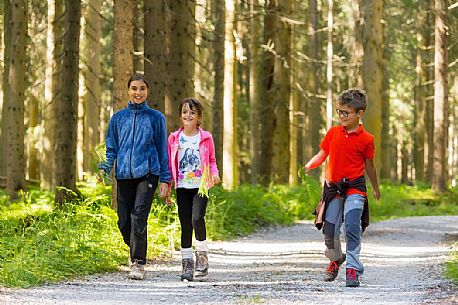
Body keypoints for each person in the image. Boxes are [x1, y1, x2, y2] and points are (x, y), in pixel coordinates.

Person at [304, 89, 381, 287]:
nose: (341, 116)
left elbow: (369, 166)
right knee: (329, 231)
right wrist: (308, 166)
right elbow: (322, 155)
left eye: (346, 113)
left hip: (355, 187)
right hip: (332, 189)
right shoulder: (333, 133)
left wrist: (375, 188)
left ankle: (353, 269)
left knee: (352, 227)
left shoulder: (367, 139)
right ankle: (336, 259)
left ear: (359, 113)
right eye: (339, 112)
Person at [99, 74, 170, 280]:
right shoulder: (118, 118)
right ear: (128, 90)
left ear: (147, 91)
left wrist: (165, 179)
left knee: (139, 216)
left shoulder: (156, 118)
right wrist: (104, 167)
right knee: (123, 221)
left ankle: (138, 262)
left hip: (147, 174)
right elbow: (111, 148)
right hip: (123, 175)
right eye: (134, 88)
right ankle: (136, 248)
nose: (138, 93)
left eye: (142, 89)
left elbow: (162, 149)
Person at [166, 98, 220, 282]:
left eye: (192, 112)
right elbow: (169, 163)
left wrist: (214, 174)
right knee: (185, 224)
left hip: (201, 186)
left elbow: (211, 160)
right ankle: (187, 264)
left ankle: (202, 258)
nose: (188, 115)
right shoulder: (174, 138)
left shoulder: (205, 137)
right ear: (181, 116)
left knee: (197, 218)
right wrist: (167, 183)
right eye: (185, 112)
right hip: (182, 187)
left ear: (199, 117)